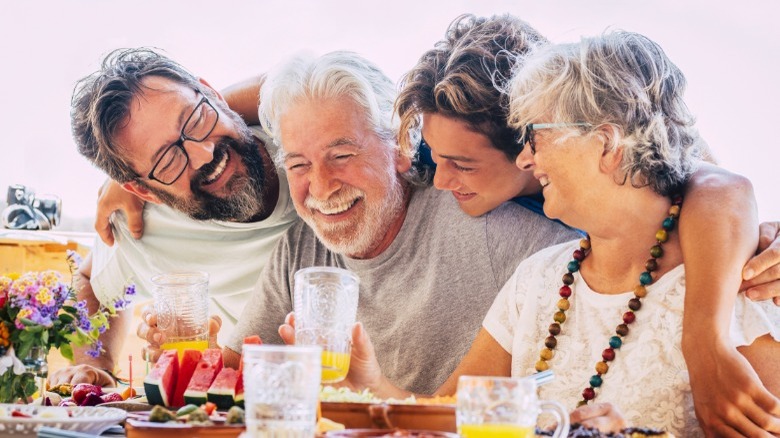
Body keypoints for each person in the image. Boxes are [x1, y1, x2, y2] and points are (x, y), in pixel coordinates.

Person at [337, 31, 780, 437]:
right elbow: (451, 420)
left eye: (535, 136)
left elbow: (720, 182)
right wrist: (372, 386)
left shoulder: (738, 286)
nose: (525, 158)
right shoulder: (537, 279)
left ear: (606, 144)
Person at [214, 50, 579, 394]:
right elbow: (228, 385)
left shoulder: (495, 229)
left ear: (402, 147)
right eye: (298, 165)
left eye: (341, 155)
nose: (322, 189)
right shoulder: (299, 250)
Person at [48, 48, 299, 387]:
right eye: (167, 161)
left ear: (212, 95)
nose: (203, 154)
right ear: (144, 191)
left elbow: (305, 82)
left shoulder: (298, 131)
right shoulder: (146, 224)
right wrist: (97, 368)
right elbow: (92, 281)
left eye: (194, 119)